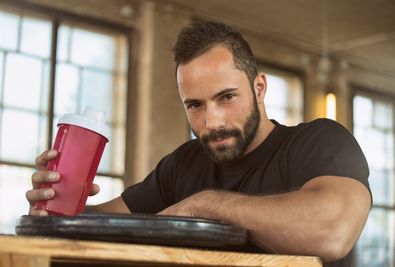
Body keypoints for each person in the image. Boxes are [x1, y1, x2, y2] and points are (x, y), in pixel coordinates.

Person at [26, 21, 371, 267]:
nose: (212, 122)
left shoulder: (318, 141)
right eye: (195, 105)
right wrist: (52, 211)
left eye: (227, 97)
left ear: (260, 88)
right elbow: (105, 225)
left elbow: (332, 232)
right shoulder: (183, 164)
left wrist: (205, 206)